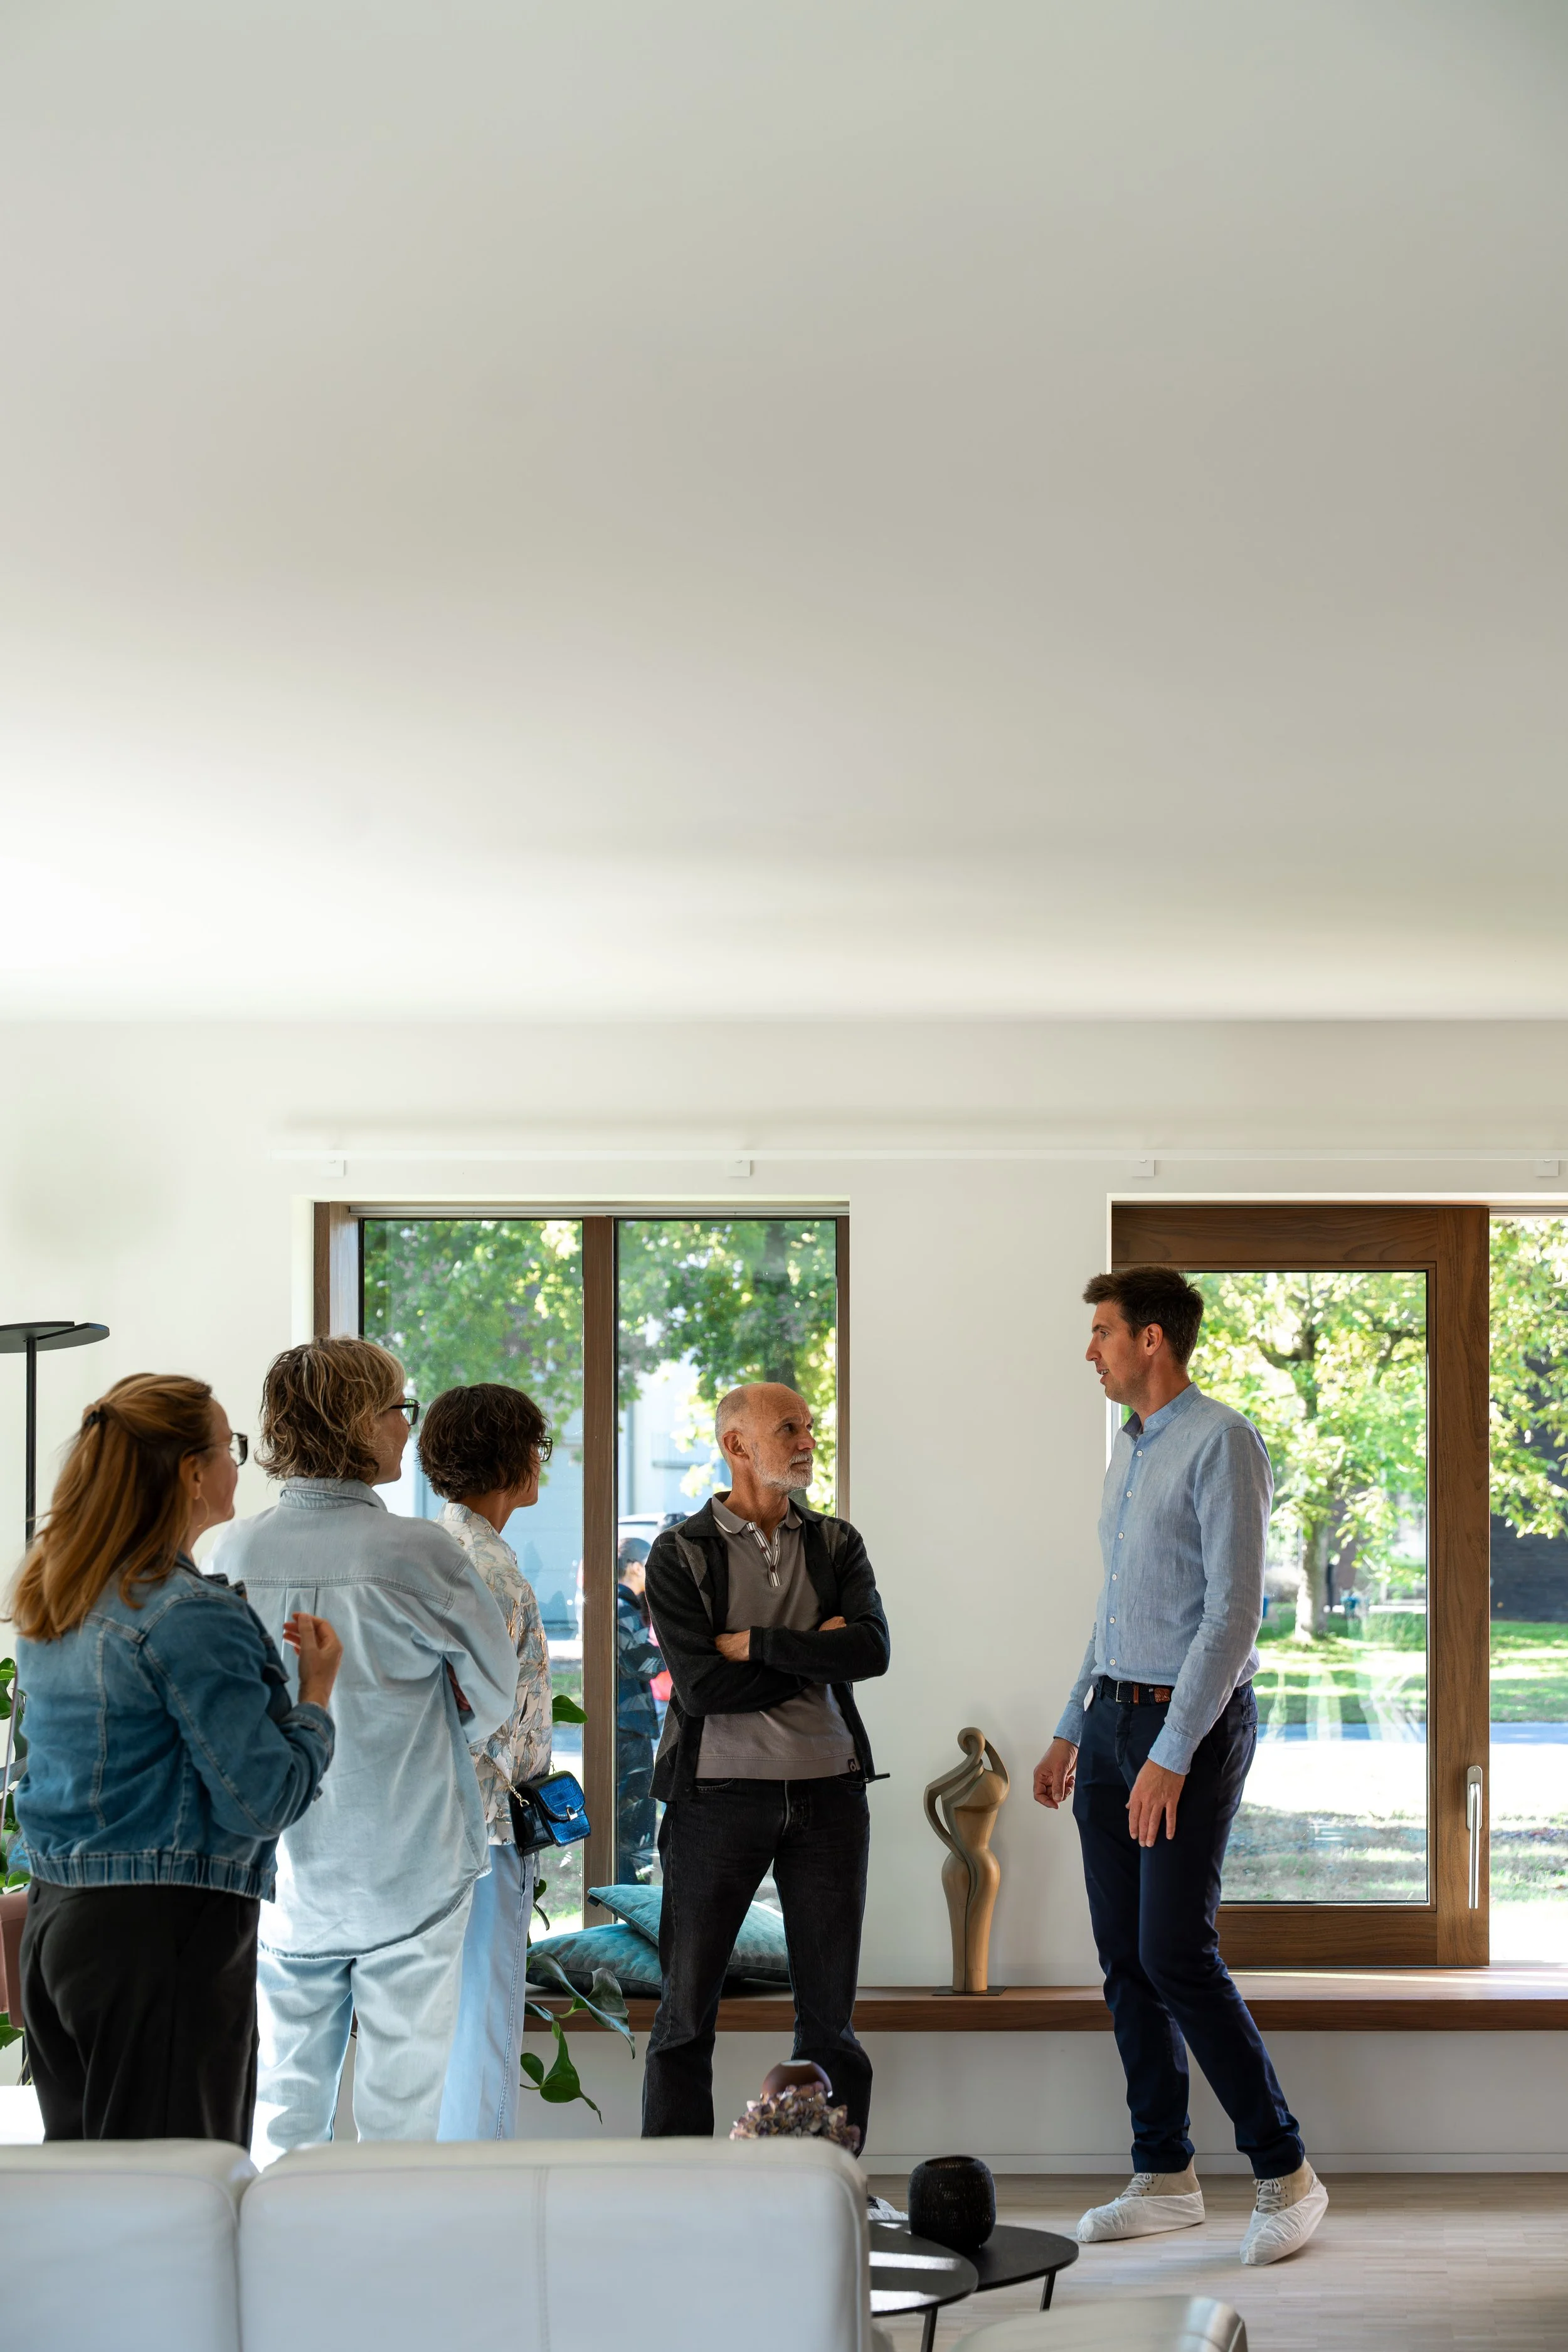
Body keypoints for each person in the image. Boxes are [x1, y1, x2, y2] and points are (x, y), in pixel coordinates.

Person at [1034, 1266, 1328, 2267]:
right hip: (1114, 1721)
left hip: (1186, 1733)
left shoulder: (1224, 1441)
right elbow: (1116, 1613)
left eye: (1104, 1332)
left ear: (1152, 1338)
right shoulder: (1127, 1456)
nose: (1092, 1350)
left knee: (1176, 1951)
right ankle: (1164, 2172)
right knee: (1124, 1957)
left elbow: (1232, 1616)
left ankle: (1287, 2170)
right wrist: (1072, 1726)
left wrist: (1169, 1753)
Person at [11, 1374, 339, 2143]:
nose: (239, 1466)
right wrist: (317, 1697)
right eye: (231, 1449)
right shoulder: (190, 1615)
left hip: (58, 1923)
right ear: (193, 1473)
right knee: (172, 2205)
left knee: (99, 2196)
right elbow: (262, 1799)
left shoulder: (57, 1596)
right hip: (160, 1937)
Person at [214, 1338, 518, 2159]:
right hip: (409, 1861)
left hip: (285, 1869)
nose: (406, 1429)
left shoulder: (235, 1551)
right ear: (357, 1421)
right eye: (398, 1409)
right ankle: (382, 2269)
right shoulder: (420, 1553)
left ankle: (283, 2264)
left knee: (283, 2103)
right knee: (399, 2114)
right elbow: (494, 1698)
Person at [640, 1382, 889, 2143]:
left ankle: (827, 2185)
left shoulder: (837, 1542)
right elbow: (706, 1687)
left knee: (829, 2022)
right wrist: (819, 1649)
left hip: (830, 1798)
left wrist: (758, 1642)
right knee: (686, 2014)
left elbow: (872, 1651)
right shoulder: (678, 1553)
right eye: (789, 1429)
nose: (808, 1440)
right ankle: (674, 2190)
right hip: (715, 1800)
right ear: (737, 1446)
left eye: (809, 1427)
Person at [415, 1381, 553, 2143]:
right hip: (488, 1826)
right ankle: (478, 2186)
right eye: (538, 1447)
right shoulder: (490, 1570)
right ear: (513, 1459)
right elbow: (481, 1711)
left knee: (441, 2021)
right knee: (486, 2018)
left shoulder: (435, 1549)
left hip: (438, 1824)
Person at [615, 1537, 662, 1882]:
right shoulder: (621, 1606)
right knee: (635, 1826)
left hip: (626, 1725)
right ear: (635, 1567)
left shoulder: (621, 1605)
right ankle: (631, 1894)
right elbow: (638, 1661)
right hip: (628, 1729)